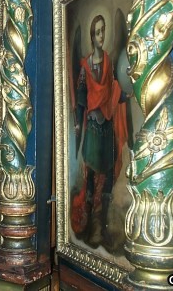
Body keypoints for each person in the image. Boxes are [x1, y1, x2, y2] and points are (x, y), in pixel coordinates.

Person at [71, 14, 128, 249]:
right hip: (93, 128)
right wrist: (77, 120)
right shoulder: (85, 65)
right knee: (92, 177)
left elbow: (113, 88)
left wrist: (124, 94)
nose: (101, 36)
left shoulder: (109, 63)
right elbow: (82, 95)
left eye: (103, 31)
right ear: (91, 36)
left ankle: (100, 224)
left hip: (106, 129)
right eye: (97, 32)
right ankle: (91, 225)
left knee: (106, 176)